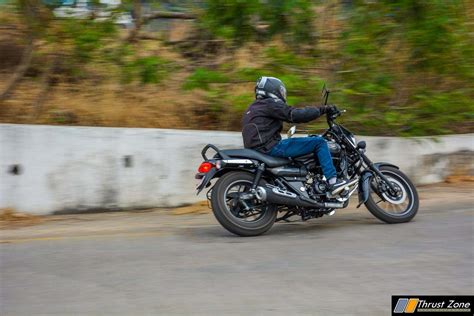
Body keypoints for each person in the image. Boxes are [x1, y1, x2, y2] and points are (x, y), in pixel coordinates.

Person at [241, 76, 346, 193]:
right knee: (319, 142)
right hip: (271, 148)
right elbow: (294, 114)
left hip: (259, 150)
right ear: (273, 90)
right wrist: (323, 109)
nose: (282, 94)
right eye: (281, 91)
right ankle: (333, 183)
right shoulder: (270, 104)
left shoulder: (252, 107)